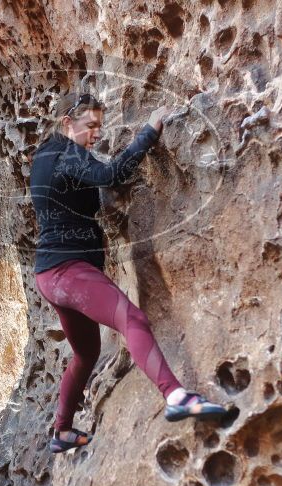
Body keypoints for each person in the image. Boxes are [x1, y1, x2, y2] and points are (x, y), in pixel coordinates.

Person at [30, 92, 226, 454]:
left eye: (99, 127)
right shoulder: (66, 153)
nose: (96, 134)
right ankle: (176, 396)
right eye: (90, 126)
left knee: (86, 353)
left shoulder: (44, 157)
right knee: (132, 318)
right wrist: (150, 130)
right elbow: (112, 174)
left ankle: (61, 431)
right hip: (67, 271)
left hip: (50, 275)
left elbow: (75, 193)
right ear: (66, 123)